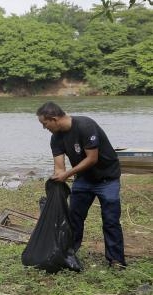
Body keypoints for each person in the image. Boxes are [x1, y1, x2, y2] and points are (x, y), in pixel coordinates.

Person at [36, 101, 126, 269]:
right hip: (83, 180)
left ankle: (116, 261)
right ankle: (68, 255)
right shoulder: (56, 138)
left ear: (54, 119)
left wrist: (67, 174)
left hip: (107, 179)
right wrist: (57, 178)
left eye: (44, 123)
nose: (44, 127)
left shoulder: (85, 125)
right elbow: (59, 167)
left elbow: (92, 158)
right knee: (73, 218)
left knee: (111, 220)